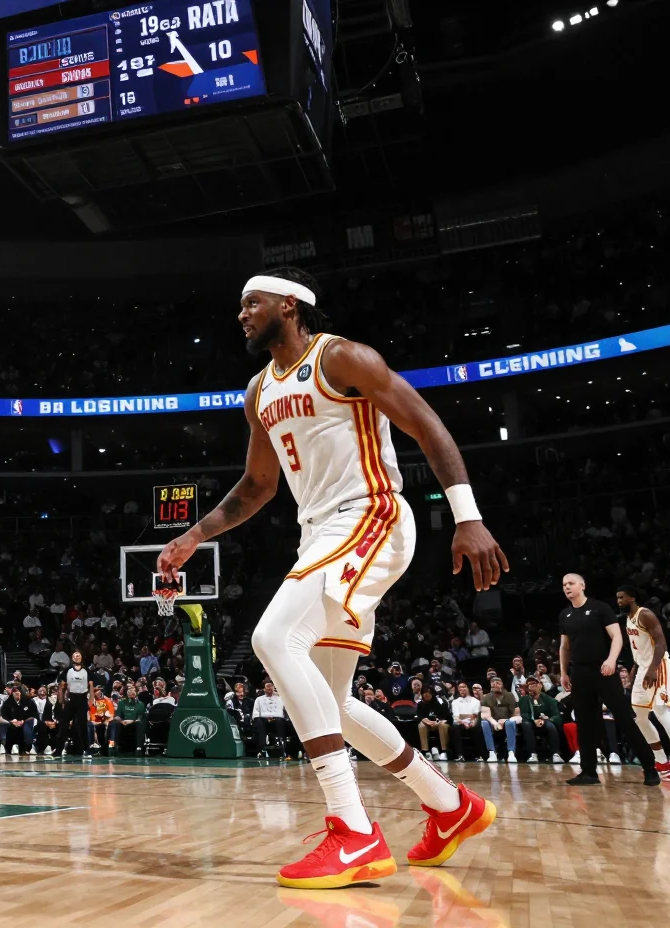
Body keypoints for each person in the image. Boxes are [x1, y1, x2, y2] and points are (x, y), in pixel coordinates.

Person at [158, 268, 506, 888]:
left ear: (289, 306)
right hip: (320, 533)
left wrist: (468, 518)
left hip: (370, 515)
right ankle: (451, 808)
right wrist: (193, 536)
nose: (241, 314)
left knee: (272, 640)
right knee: (335, 704)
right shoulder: (258, 389)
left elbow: (427, 424)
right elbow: (258, 486)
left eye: (252, 302)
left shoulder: (342, 357)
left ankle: (353, 832)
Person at [559, 574, 659, 786]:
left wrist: (611, 660)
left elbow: (617, 637)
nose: (567, 587)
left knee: (624, 718)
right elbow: (564, 646)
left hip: (604, 671)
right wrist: (563, 672)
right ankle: (588, 772)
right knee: (584, 723)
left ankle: (650, 767)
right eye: (564, 585)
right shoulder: (565, 614)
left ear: (582, 585)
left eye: (571, 583)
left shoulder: (599, 608)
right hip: (580, 673)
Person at [617, 585, 670, 782]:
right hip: (643, 667)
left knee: (661, 712)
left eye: (621, 597)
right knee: (639, 716)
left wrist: (653, 668)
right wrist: (637, 667)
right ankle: (662, 761)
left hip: (659, 665)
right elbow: (640, 648)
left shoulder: (646, 615)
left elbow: (661, 643)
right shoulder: (628, 618)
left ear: (632, 597)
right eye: (617, 598)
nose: (618, 601)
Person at [516, 679, 565, 762]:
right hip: (531, 722)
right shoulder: (524, 699)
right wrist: (534, 720)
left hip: (546, 721)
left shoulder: (549, 699)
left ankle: (555, 754)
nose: (531, 686)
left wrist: (549, 719)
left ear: (540, 685)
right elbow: (524, 714)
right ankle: (532, 754)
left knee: (550, 726)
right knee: (526, 724)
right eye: (529, 685)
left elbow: (556, 715)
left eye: (534, 684)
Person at [478, 678, 520, 763]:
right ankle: (492, 752)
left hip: (508, 720)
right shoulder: (487, 697)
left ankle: (511, 752)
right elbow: (486, 715)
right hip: (493, 721)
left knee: (510, 723)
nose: (495, 684)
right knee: (484, 723)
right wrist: (495, 723)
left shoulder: (510, 695)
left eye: (498, 683)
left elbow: (517, 714)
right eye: (493, 683)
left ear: (502, 684)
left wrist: (506, 720)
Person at [251, 681, 292, 758]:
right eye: (267, 686)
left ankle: (281, 747)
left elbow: (285, 711)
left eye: (271, 686)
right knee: (259, 723)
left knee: (280, 722)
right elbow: (255, 713)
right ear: (264, 689)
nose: (269, 688)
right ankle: (261, 749)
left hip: (277, 719)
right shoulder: (259, 699)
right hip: (263, 720)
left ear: (274, 688)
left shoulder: (280, 699)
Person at [0, 685, 39, 754]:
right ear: (12, 693)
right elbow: (4, 714)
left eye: (18, 691)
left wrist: (23, 720)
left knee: (25, 730)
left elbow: (33, 713)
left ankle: (25, 749)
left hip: (26, 720)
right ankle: (8, 749)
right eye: (14, 691)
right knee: (10, 728)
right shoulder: (8, 702)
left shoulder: (28, 700)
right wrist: (12, 721)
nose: (16, 693)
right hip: (12, 721)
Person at [65, 651, 91, 754]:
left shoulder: (86, 671)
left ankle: (85, 747)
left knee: (81, 724)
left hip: (82, 698)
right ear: (72, 658)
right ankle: (72, 747)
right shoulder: (68, 671)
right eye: (75, 656)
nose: (77, 657)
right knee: (70, 724)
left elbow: (89, 685)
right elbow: (65, 685)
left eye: (79, 655)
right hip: (71, 698)